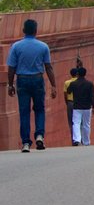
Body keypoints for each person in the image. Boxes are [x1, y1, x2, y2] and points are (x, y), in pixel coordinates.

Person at [5, 19, 58, 153]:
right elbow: (48, 67)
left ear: (24, 31)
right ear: (36, 31)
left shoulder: (16, 46)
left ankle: (26, 143)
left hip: (22, 80)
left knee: (24, 112)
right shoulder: (43, 46)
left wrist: (10, 85)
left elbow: (11, 68)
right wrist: (53, 85)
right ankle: (39, 135)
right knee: (39, 109)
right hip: (37, 79)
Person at [68, 67, 94, 146]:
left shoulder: (73, 84)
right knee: (86, 124)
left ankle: (77, 139)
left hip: (77, 106)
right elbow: (92, 96)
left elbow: (69, 91)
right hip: (87, 107)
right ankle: (86, 141)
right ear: (85, 74)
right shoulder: (90, 84)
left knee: (76, 123)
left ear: (77, 74)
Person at [63, 67, 80, 134]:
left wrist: (67, 103)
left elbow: (65, 94)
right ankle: (80, 139)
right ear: (77, 74)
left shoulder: (67, 82)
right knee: (79, 122)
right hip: (79, 103)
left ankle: (74, 139)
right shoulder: (79, 81)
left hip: (70, 102)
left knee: (71, 122)